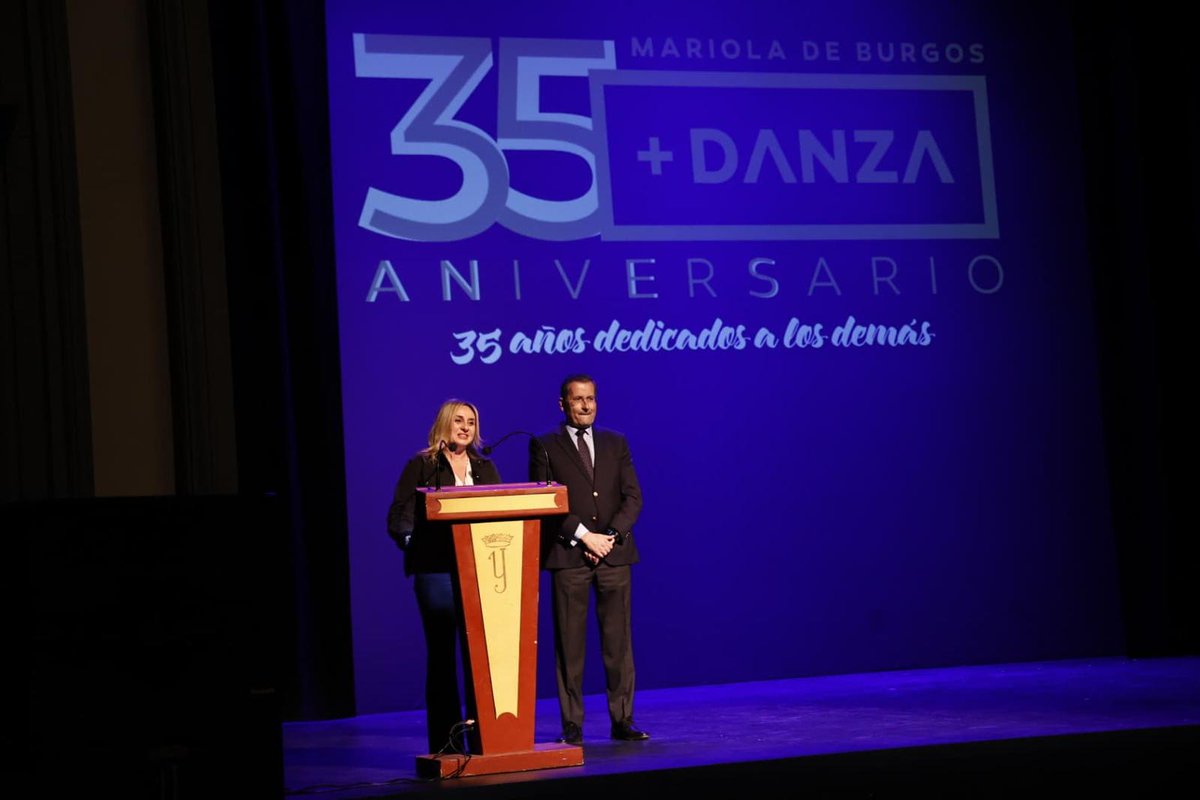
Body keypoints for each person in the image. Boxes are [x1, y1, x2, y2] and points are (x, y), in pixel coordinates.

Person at [529, 374, 649, 745]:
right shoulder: (544, 444)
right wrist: (584, 536)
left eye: (591, 399)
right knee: (570, 645)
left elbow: (633, 497)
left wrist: (608, 537)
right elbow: (544, 501)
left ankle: (623, 719)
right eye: (578, 399)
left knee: (618, 643)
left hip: (613, 554)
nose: (586, 406)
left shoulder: (616, 442)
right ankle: (572, 725)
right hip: (569, 556)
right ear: (562, 404)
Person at [387, 399, 501, 755]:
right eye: (459, 421)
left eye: (471, 422)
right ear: (444, 424)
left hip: (479, 571)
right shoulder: (422, 464)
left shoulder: (485, 467)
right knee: (442, 657)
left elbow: (502, 510)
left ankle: (486, 740)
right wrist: (413, 541)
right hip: (436, 572)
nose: (465, 427)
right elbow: (399, 514)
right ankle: (447, 744)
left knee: (480, 658)